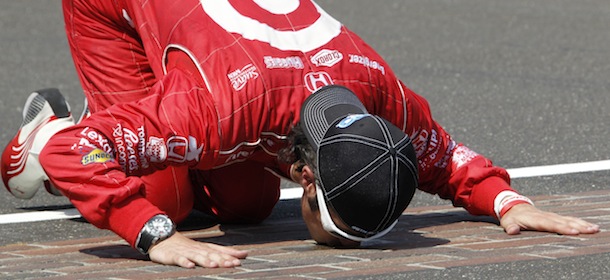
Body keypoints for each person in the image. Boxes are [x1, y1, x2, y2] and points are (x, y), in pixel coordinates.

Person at [1, 0, 599, 269]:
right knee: (168, 199)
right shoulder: (213, 110)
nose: (343, 248)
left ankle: (152, 141)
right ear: (305, 175)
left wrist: (506, 200)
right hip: (115, 10)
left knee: (250, 204)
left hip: (225, 68)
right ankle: (36, 130)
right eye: (336, 232)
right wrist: (152, 234)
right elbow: (74, 156)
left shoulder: (380, 95)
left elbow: (440, 155)